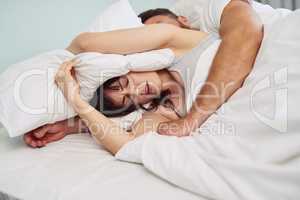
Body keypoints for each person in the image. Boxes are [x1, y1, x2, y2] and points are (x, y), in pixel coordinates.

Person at [24, 0, 263, 148]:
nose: (136, 91)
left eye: (124, 83)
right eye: (129, 99)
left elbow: (84, 44)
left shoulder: (180, 44)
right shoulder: (162, 112)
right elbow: (125, 143)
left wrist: (192, 120)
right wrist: (76, 111)